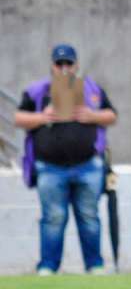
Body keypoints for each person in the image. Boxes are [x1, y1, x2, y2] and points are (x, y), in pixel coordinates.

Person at [14, 44, 118, 275]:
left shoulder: (92, 89)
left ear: (76, 65)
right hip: (50, 168)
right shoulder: (37, 91)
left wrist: (91, 115)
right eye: (59, 64)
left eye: (68, 64)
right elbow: (19, 118)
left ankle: (95, 265)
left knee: (89, 216)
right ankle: (48, 267)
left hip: (88, 166)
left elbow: (112, 115)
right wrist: (42, 116)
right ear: (51, 65)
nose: (64, 69)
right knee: (53, 218)